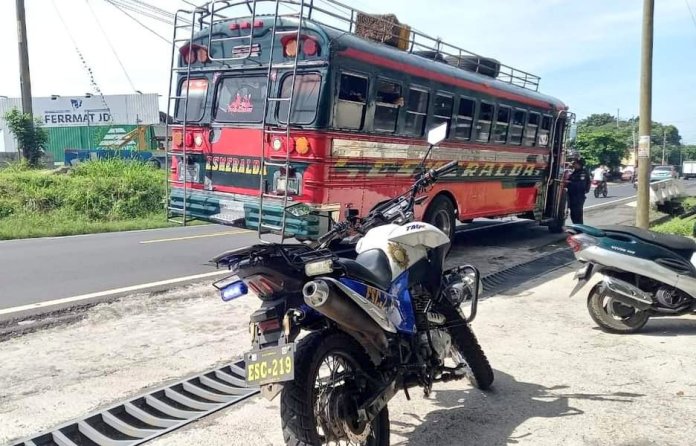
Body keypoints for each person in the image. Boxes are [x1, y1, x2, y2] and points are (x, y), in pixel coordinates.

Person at [566, 157, 591, 224]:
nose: (573, 165)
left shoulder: (582, 173)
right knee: (573, 213)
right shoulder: (575, 172)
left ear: (579, 164)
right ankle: (576, 227)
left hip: (578, 196)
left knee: (577, 213)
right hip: (573, 195)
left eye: (575, 163)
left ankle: (579, 229)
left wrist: (569, 183)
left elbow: (581, 185)